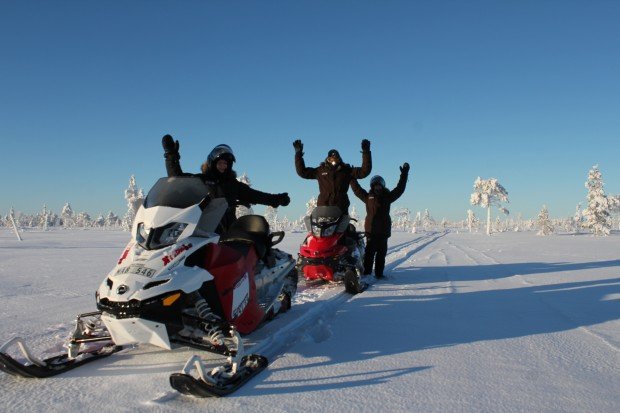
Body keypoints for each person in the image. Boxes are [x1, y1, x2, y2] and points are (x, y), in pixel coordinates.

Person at [162, 134, 290, 232]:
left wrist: (276, 199)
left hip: (228, 231)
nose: (223, 166)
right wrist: (171, 155)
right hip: (203, 230)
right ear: (212, 163)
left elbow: (255, 195)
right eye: (220, 163)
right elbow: (177, 179)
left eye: (226, 163)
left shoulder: (232, 184)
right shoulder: (201, 180)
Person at [350, 163, 410, 278]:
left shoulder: (388, 197)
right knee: (369, 254)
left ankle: (379, 274)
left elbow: (400, 189)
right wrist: (351, 177)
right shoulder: (367, 197)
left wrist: (404, 174)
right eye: (375, 185)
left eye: (379, 186)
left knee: (381, 255)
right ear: (372, 186)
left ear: (382, 186)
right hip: (371, 231)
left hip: (383, 231)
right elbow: (357, 190)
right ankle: (367, 273)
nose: (377, 187)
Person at [293, 139, 372, 214]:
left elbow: (364, 171)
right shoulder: (320, 171)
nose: (333, 161)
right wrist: (298, 154)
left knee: (345, 228)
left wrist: (366, 152)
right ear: (327, 159)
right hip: (323, 210)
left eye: (335, 159)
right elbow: (302, 172)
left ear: (339, 159)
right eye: (331, 159)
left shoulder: (346, 170)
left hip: (341, 209)